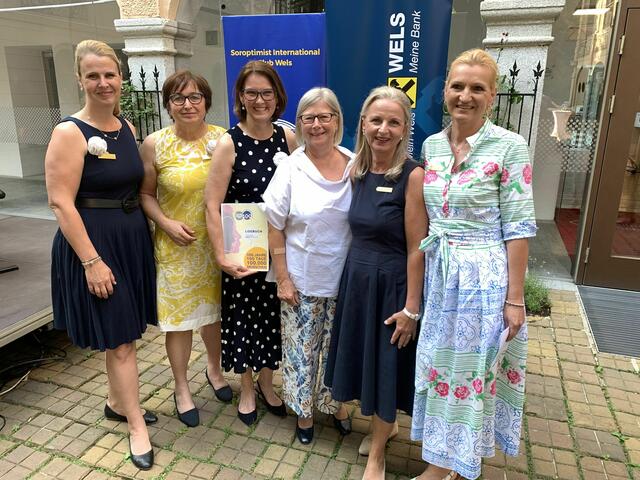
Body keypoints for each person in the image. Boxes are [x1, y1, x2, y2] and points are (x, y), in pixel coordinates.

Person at [410, 48, 536, 480]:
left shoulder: (510, 147)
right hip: (441, 274)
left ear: (493, 95)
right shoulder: (431, 145)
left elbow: (518, 227)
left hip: (484, 278)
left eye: (477, 88)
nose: (466, 96)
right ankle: (447, 458)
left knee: (471, 371)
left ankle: (444, 466)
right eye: (458, 86)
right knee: (443, 368)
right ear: (445, 91)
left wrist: (515, 299)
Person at [46, 40, 156, 470]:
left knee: (123, 335)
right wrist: (91, 262)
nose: (103, 82)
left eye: (110, 74)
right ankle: (135, 425)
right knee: (122, 340)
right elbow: (60, 202)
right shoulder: (69, 132)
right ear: (80, 80)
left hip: (129, 240)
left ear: (121, 78)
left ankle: (116, 402)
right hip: (94, 245)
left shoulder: (126, 128)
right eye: (93, 75)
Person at [325, 86, 427, 479]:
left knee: (386, 365)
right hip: (359, 280)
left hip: (393, 285)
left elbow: (417, 248)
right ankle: (387, 428)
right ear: (363, 125)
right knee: (368, 362)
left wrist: (411, 308)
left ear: (404, 130)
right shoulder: (359, 171)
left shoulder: (413, 176)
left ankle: (377, 455)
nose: (383, 129)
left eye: (393, 122)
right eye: (376, 120)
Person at [205, 60, 297, 426]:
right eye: (252, 93)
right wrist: (221, 254)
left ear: (277, 97)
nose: (260, 100)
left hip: (278, 250)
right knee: (244, 318)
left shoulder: (287, 139)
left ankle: (267, 383)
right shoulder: (230, 142)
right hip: (242, 249)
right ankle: (246, 387)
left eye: (266, 93)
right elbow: (212, 204)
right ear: (240, 98)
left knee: (272, 317)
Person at [139, 70, 231, 428]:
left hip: (216, 245)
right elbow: (145, 194)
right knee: (178, 324)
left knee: (215, 316)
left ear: (206, 101)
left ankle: (214, 368)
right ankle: (181, 388)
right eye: (179, 98)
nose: (188, 104)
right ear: (168, 105)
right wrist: (165, 223)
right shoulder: (155, 144)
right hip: (176, 249)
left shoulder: (223, 138)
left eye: (195, 97)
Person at [262, 87, 353, 445]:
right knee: (301, 353)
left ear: (337, 121)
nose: (316, 125)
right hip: (300, 279)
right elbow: (274, 225)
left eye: (324, 117)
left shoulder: (353, 163)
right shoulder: (291, 167)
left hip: (344, 278)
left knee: (336, 350)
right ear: (299, 123)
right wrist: (282, 278)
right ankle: (304, 413)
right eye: (308, 118)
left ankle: (336, 405)